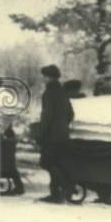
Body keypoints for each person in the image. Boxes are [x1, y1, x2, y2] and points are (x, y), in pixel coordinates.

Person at [38, 64, 74, 203]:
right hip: (63, 135)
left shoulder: (49, 93)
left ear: (49, 77)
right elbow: (71, 113)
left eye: (44, 77)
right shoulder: (63, 92)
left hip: (51, 136)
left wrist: (41, 133)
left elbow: (47, 116)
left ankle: (66, 185)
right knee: (57, 163)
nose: (43, 79)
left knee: (46, 162)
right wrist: (63, 125)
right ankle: (56, 194)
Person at [0, 75, 25, 195]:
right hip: (2, 133)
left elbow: (8, 117)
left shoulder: (1, 97)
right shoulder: (0, 96)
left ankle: (19, 187)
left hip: (4, 134)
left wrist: (1, 131)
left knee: (7, 162)